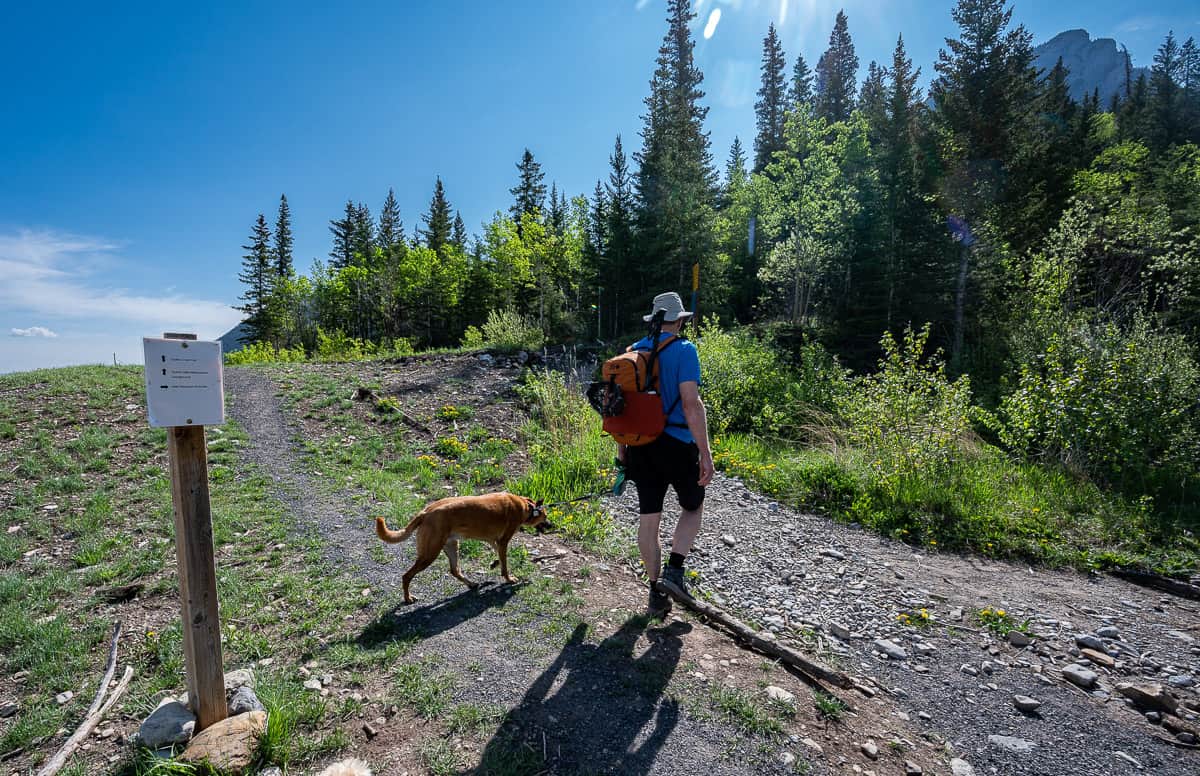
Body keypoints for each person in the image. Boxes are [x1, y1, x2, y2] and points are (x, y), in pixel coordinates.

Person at [617, 291, 714, 616]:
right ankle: (675, 571)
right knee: (693, 506)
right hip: (676, 443)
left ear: (654, 320)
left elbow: (620, 414)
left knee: (649, 519)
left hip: (640, 447)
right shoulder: (684, 349)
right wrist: (705, 452)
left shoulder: (633, 353)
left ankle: (655, 588)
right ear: (680, 320)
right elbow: (690, 403)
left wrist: (622, 455)